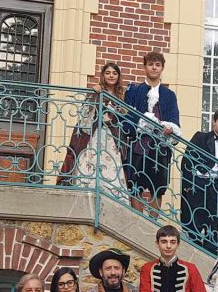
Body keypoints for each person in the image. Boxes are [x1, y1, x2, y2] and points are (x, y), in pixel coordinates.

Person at [123, 52, 182, 216]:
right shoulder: (133, 91)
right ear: (145, 67)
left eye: (157, 65)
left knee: (158, 187)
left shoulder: (169, 95)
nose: (154, 67)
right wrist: (138, 124)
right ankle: (137, 221)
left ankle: (153, 225)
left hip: (161, 146)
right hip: (138, 145)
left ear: (162, 68)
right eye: (151, 64)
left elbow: (174, 119)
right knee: (135, 185)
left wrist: (170, 128)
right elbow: (127, 118)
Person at [58, 63, 128, 192]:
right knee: (91, 160)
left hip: (112, 137)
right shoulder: (97, 91)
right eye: (108, 73)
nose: (111, 75)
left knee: (111, 164)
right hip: (95, 133)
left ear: (118, 76)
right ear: (103, 75)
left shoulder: (122, 95)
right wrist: (95, 95)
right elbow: (85, 113)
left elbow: (124, 116)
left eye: (114, 73)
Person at [181, 107, 218, 253]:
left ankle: (210, 251)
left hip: (215, 186)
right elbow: (187, 160)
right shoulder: (200, 137)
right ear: (213, 122)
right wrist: (188, 184)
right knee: (195, 217)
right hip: (197, 182)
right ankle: (193, 248)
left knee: (213, 219)